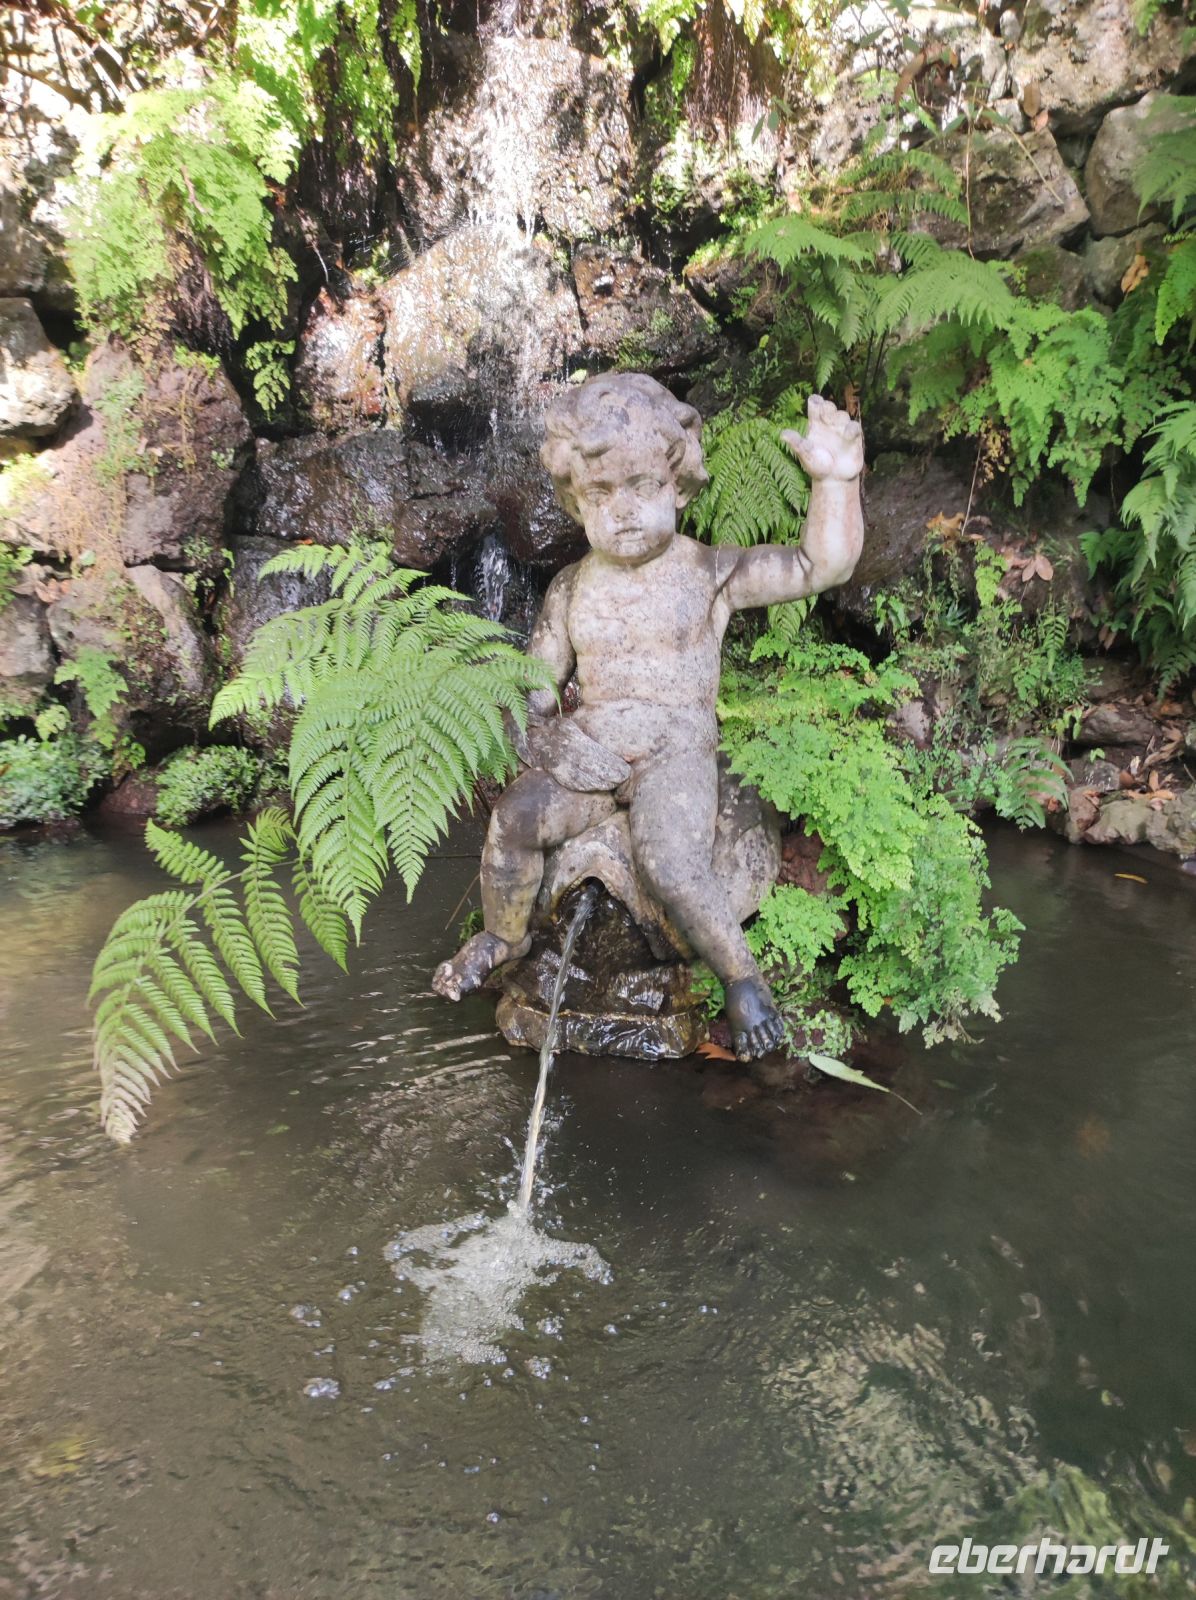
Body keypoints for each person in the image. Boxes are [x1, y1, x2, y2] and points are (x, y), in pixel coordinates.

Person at [433, 372, 865, 1060]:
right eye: (601, 493)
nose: (624, 509)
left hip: (677, 749)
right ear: (574, 499)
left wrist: (835, 483)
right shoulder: (571, 587)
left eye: (642, 487)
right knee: (514, 819)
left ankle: (741, 978)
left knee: (670, 858)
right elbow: (533, 693)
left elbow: (820, 564)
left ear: (678, 483)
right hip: (595, 751)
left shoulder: (709, 572)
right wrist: (548, 738)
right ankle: (503, 933)